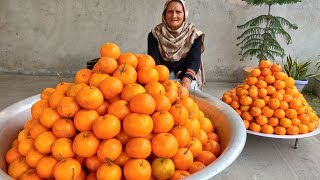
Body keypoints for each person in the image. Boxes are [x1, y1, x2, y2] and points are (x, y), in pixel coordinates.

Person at [148, 0, 205, 90]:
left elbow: (194, 61)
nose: (174, 16)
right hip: (162, 80)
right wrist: (162, 83)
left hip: (186, 78)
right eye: (170, 12)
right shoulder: (155, 34)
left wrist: (187, 80)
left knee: (190, 101)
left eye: (178, 12)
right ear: (164, 14)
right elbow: (154, 62)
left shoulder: (193, 34)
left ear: (184, 14)